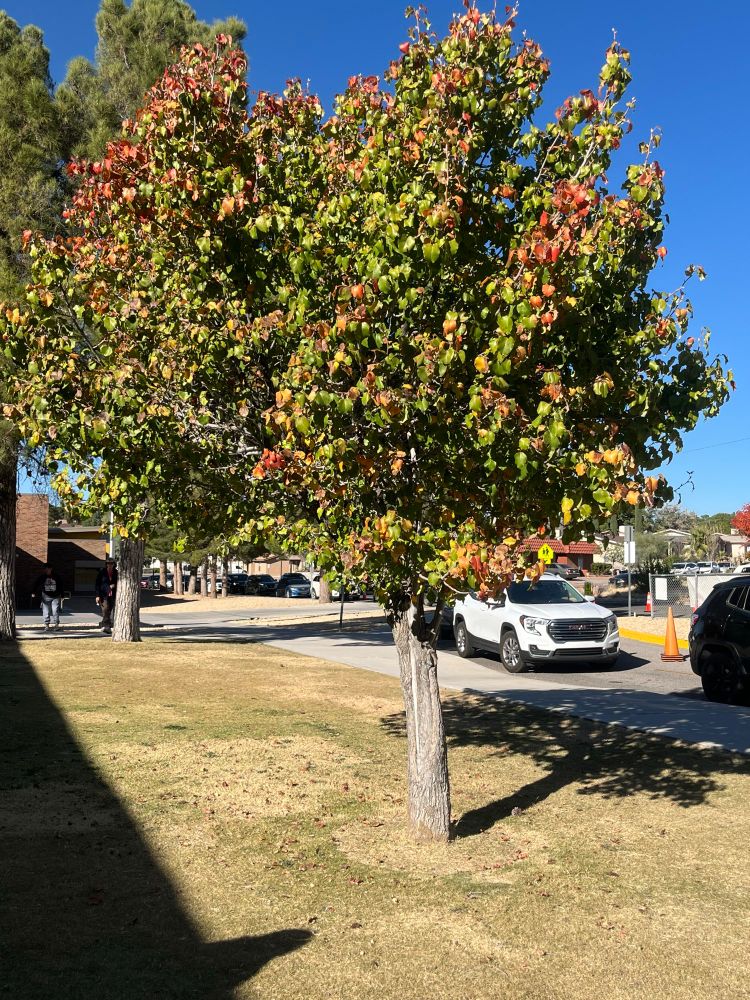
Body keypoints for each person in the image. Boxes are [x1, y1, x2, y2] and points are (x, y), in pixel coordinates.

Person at [31, 564, 64, 631]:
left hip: (56, 596)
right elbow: (36, 584)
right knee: (46, 611)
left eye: (47, 568)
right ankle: (47, 625)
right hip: (46, 597)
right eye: (45, 569)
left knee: (55, 611)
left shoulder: (56, 576)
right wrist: (33, 592)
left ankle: (56, 625)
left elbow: (61, 585)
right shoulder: (42, 577)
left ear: (51, 569)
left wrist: (62, 594)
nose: (46, 570)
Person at [95, 558, 118, 635]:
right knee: (105, 609)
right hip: (103, 595)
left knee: (109, 610)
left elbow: (119, 582)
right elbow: (97, 584)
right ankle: (106, 626)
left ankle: (104, 624)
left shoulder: (116, 572)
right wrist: (97, 595)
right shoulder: (102, 572)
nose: (110, 565)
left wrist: (114, 585)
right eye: (108, 563)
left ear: (114, 564)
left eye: (111, 563)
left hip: (112, 595)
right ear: (106, 564)